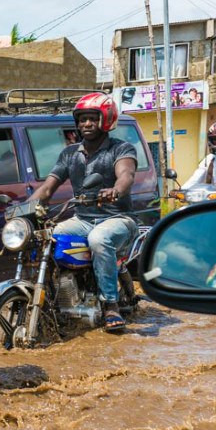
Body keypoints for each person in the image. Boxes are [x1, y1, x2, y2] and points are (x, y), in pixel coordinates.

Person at [29, 93, 139, 332]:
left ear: (106, 120)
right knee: (46, 236)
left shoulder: (121, 149)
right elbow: (48, 187)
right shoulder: (69, 154)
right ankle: (52, 296)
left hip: (118, 218)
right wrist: (24, 209)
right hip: (82, 219)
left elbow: (126, 175)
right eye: (82, 119)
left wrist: (115, 190)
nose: (86, 124)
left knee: (98, 239)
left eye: (92, 118)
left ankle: (110, 305)